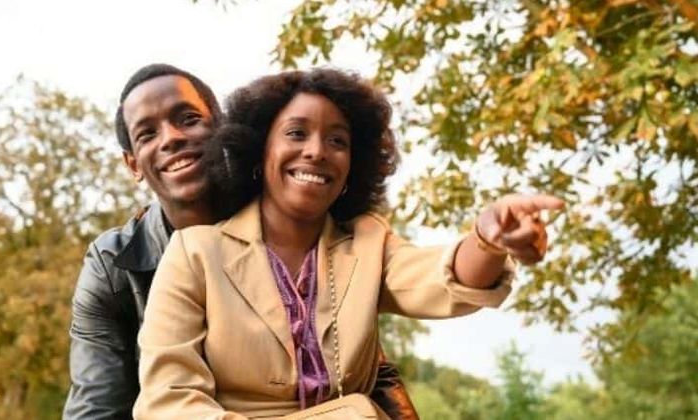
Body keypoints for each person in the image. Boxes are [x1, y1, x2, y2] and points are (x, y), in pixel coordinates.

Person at [134, 68, 564, 418]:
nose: (317, 151)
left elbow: (437, 279)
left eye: (337, 140)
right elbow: (168, 403)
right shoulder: (195, 253)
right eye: (296, 133)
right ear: (259, 150)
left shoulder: (367, 242)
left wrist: (487, 240)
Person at [63, 64, 419, 419]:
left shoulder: (290, 222)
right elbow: (96, 408)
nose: (170, 138)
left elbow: (357, 359)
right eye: (146, 134)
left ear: (224, 128)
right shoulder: (111, 267)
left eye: (188, 119)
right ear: (133, 165)